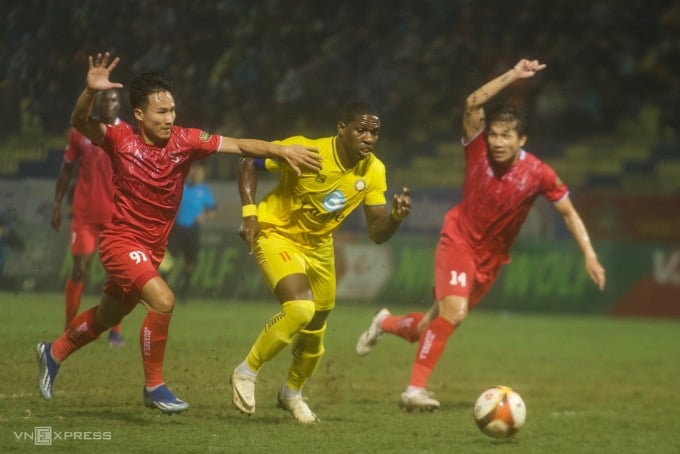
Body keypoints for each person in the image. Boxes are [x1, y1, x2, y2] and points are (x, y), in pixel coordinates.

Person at [36, 51, 322, 414]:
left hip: (153, 248)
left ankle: (53, 352)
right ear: (139, 114)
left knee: (108, 316)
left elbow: (237, 145)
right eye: (161, 112)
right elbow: (79, 121)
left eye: (172, 111)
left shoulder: (186, 141)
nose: (170, 119)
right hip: (121, 242)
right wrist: (89, 91)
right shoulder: (119, 138)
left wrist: (279, 149)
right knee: (164, 301)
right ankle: (154, 386)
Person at [355, 59, 607, 412]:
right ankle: (414, 391)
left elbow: (568, 212)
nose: (497, 142)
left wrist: (589, 254)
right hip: (458, 240)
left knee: (426, 328)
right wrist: (514, 76)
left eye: (506, 136)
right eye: (494, 133)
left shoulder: (539, 173)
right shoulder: (477, 151)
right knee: (453, 313)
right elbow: (473, 103)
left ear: (523, 140)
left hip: (489, 261)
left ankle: (385, 322)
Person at [230, 101, 412, 423]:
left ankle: (292, 393)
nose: (368, 138)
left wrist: (396, 217)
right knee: (300, 309)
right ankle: (247, 370)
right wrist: (250, 214)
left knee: (316, 329)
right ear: (342, 129)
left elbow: (377, 232)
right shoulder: (307, 151)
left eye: (374, 132)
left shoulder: (374, 171)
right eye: (361, 130)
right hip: (277, 233)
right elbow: (248, 162)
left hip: (319, 247)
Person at [51, 88, 125, 346]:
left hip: (116, 216)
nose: (109, 104)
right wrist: (58, 204)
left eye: (114, 100)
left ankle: (115, 330)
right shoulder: (81, 131)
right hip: (84, 215)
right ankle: (68, 327)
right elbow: (67, 168)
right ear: (98, 103)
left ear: (119, 105)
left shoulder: (127, 134)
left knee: (117, 273)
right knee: (80, 269)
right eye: (105, 100)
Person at [166, 163, 216, 303]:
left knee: (190, 263)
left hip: (193, 230)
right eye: (195, 172)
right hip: (176, 229)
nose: (197, 175)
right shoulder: (181, 186)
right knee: (168, 260)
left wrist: (205, 216)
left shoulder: (205, 191)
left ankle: (183, 293)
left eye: (200, 174)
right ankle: (163, 290)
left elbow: (213, 211)